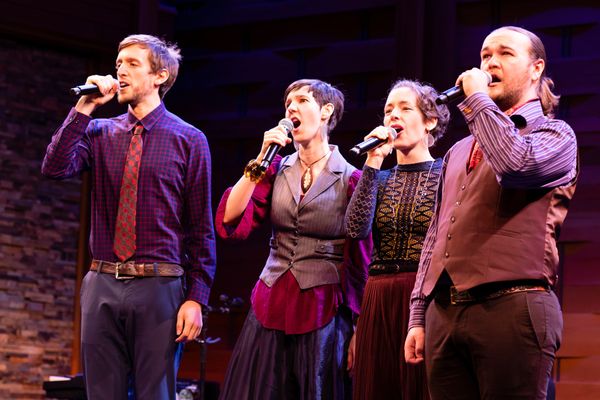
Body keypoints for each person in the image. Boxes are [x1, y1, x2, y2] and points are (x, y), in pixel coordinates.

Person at [404, 26, 578, 400]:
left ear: (536, 68)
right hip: (445, 314)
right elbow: (436, 235)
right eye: (485, 55)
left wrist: (478, 100)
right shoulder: (458, 150)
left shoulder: (555, 135)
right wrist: (418, 315)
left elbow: (513, 165)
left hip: (513, 307)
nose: (490, 63)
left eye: (505, 54)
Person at [41, 34, 216, 399]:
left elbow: (201, 229)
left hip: (159, 285)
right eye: (119, 63)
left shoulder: (189, 139)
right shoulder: (98, 132)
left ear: (160, 76)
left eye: (133, 64)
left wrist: (196, 298)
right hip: (102, 280)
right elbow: (54, 167)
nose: (121, 71)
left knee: (155, 393)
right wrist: (84, 108)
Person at [214, 79, 371, 400]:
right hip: (270, 300)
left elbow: (360, 260)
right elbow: (230, 218)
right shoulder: (274, 169)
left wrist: (359, 326)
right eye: (288, 104)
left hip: (322, 307)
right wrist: (260, 159)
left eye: (301, 101)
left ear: (326, 111)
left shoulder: (351, 179)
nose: (291, 109)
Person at [345, 79, 449, 400]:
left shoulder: (445, 173)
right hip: (378, 296)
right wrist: (373, 160)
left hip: (424, 296)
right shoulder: (379, 177)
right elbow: (355, 229)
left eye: (405, 108)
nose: (393, 115)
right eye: (389, 109)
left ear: (429, 121)